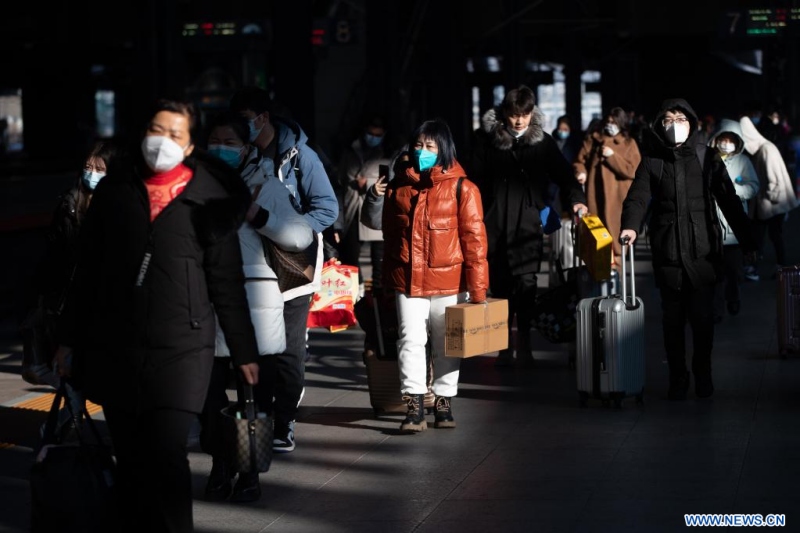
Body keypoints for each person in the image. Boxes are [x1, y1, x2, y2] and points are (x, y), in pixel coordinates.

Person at [53, 98, 261, 533]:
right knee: (129, 458)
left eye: (174, 134)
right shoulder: (115, 191)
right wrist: (68, 338)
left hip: (183, 347)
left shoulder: (210, 199)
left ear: (188, 147)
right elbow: (86, 272)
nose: (160, 141)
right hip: (118, 345)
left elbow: (225, 281)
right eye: (155, 129)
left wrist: (244, 351)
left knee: (165, 456)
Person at [199, 112, 314, 503]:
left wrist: (258, 216)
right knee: (210, 398)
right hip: (207, 300)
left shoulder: (266, 186)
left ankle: (250, 474)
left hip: (256, 304)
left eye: (228, 143)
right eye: (214, 142)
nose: (220, 149)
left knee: (255, 397)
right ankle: (220, 465)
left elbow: (301, 234)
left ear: (246, 148)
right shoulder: (194, 187)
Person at [619, 98, 757, 401]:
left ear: (691, 123)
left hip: (703, 250)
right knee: (672, 321)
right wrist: (630, 226)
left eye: (680, 118)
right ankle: (678, 377)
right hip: (668, 252)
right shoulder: (652, 161)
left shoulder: (707, 158)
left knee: (703, 319)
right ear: (659, 126)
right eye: (667, 119)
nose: (673, 125)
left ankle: (703, 372)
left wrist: (748, 241)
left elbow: (729, 201)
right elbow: (638, 198)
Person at [229, 86, 338, 453]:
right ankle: (247, 441)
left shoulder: (299, 157)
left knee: (288, 350)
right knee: (253, 354)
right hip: (248, 271)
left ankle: (282, 421)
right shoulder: (237, 162)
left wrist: (287, 227)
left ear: (263, 118)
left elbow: (326, 209)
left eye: (247, 121)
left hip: (292, 269)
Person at [381, 118, 488, 433]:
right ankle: (414, 403)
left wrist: (478, 292)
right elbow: (389, 236)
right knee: (410, 340)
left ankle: (443, 401)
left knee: (446, 343)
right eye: (419, 145)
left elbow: (475, 242)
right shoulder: (398, 186)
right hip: (407, 280)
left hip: (449, 282)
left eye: (430, 146)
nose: (423, 151)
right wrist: (387, 280)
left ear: (444, 149)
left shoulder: (463, 187)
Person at [469, 85, 588, 368]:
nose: (519, 120)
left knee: (526, 285)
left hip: (527, 224)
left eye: (524, 114)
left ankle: (524, 343)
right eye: (513, 115)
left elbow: (563, 174)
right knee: (498, 286)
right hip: (494, 223)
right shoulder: (485, 142)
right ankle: (501, 346)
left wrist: (577, 201)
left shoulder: (542, 143)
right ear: (504, 114)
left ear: (532, 113)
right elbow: (469, 180)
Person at [26, 140, 119, 438]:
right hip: (66, 303)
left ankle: (69, 422)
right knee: (72, 372)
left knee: (97, 375)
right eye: (89, 167)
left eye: (100, 169)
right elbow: (52, 256)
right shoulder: (69, 204)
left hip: (103, 304)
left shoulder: (120, 207)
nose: (91, 173)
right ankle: (67, 424)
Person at [573, 106, 642, 268]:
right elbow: (579, 162)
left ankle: (616, 286)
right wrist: (581, 173)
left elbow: (634, 170)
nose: (610, 125)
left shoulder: (629, 143)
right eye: (608, 121)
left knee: (617, 245)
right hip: (594, 197)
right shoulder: (593, 140)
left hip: (619, 199)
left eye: (615, 122)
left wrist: (612, 157)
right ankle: (599, 284)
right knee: (597, 242)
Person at [706, 119, 759, 322]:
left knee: (734, 271)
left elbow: (754, 186)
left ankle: (733, 297)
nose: (726, 143)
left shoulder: (743, 162)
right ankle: (717, 310)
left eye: (730, 140)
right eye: (723, 139)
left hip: (734, 229)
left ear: (738, 142)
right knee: (715, 273)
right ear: (716, 139)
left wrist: (733, 192)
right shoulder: (708, 161)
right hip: (712, 226)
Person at [336, 113, 393, 289]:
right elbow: (340, 184)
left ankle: (377, 295)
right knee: (351, 255)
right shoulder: (351, 152)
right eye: (371, 133)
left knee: (379, 258)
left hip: (377, 209)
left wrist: (367, 184)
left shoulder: (388, 154)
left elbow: (392, 181)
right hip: (352, 208)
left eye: (378, 135)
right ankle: (356, 292)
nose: (373, 138)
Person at [739, 115, 799, 278]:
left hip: (770, 203)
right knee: (773, 236)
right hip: (771, 204)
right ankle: (778, 267)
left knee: (764, 237)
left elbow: (774, 181)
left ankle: (757, 268)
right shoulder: (765, 148)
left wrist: (764, 196)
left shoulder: (765, 150)